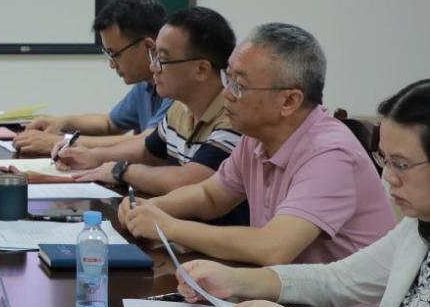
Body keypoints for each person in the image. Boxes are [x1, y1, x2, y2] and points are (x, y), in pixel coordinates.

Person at [176, 79, 429, 307]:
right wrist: (234, 280)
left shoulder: (330, 151)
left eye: (401, 164)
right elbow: (339, 279)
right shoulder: (417, 227)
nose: (388, 177)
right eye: (385, 160)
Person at [120, 22, 394, 270]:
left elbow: (272, 247)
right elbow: (210, 196)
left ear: (289, 101)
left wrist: (168, 227)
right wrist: (149, 208)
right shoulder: (255, 138)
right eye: (228, 78)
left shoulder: (330, 155)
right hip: (277, 297)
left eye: (239, 85)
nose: (227, 94)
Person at [55, 7, 243, 209]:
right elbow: (147, 151)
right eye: (154, 57)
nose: (153, 67)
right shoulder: (180, 108)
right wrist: (93, 157)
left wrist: (122, 171)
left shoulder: (233, 118)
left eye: (162, 59)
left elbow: (188, 181)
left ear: (201, 69)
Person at [12, 0, 172, 156]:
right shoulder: (145, 85)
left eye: (115, 54)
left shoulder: (176, 87)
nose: (112, 64)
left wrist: (60, 142)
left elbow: (147, 141)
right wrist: (62, 122)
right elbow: (110, 123)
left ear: (148, 47)